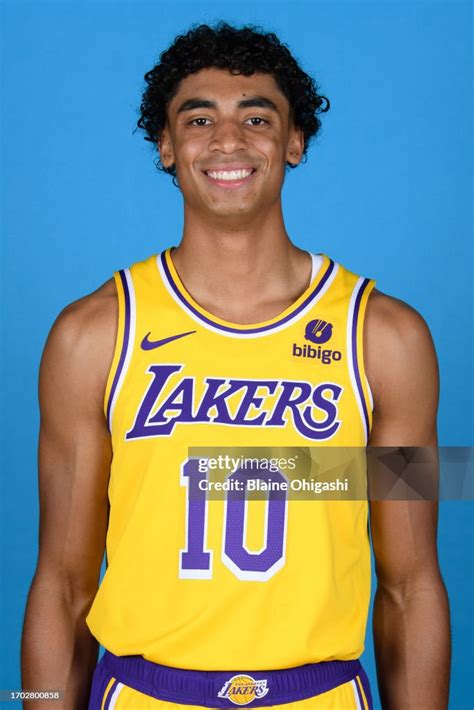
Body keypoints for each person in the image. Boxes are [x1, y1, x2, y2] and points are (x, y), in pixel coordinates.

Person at [21, 22, 450, 710]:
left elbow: (413, 586)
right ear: (165, 145)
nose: (228, 141)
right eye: (198, 118)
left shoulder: (387, 338)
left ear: (294, 141)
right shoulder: (91, 335)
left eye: (257, 117)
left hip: (322, 696)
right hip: (142, 695)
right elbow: (60, 586)